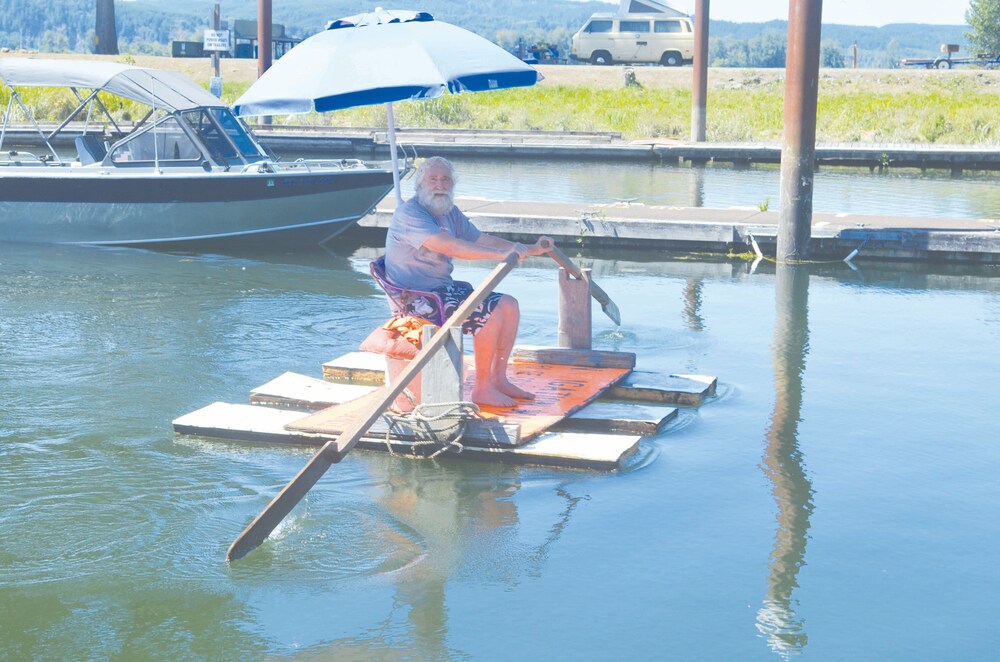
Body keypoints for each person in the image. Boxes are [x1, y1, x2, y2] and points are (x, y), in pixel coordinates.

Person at [385, 156, 552, 408]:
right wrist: (499, 255)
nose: (440, 185)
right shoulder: (409, 214)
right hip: (416, 299)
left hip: (442, 291)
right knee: (491, 313)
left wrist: (528, 248)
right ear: (420, 185)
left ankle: (498, 379)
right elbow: (448, 246)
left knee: (509, 304)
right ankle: (482, 388)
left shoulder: (449, 212)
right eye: (433, 179)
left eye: (445, 180)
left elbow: (479, 239)